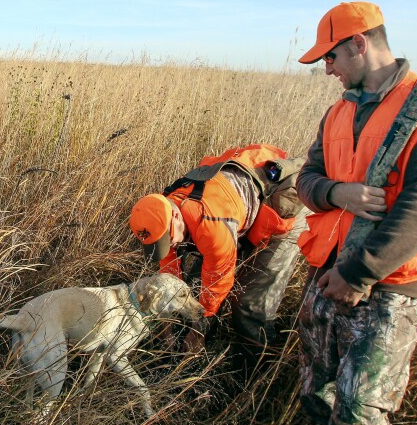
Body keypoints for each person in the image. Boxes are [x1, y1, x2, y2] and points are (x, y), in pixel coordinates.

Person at [295, 1, 417, 425]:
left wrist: (358, 274)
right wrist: (337, 193)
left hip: (388, 285)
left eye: (330, 57)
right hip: (326, 273)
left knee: (358, 413)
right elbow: (305, 181)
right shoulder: (337, 113)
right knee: (316, 395)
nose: (327, 70)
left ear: (359, 43)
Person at [128, 144, 309, 375]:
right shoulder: (162, 210)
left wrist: (199, 333)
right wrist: (166, 325)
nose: (170, 245)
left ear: (175, 214)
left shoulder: (211, 226)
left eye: (168, 239)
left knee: (249, 303)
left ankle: (254, 373)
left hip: (282, 206)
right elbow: (170, 274)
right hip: (235, 208)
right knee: (194, 285)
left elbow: (218, 285)